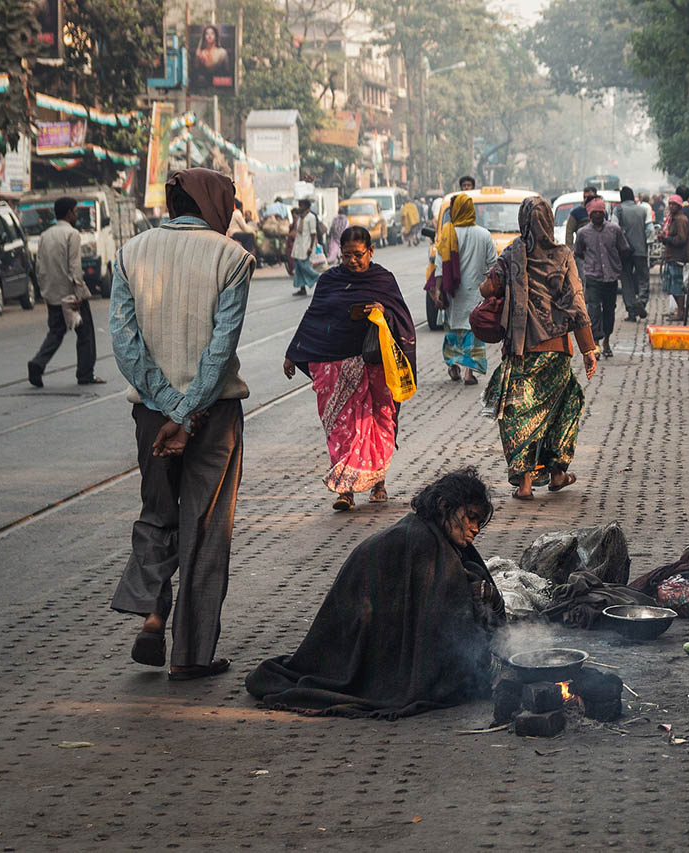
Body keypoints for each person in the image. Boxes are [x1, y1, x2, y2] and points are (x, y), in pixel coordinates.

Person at [108, 168, 255, 681]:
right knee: (207, 528)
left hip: (150, 413)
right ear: (215, 203)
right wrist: (189, 413)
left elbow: (125, 346)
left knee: (157, 511)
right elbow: (221, 347)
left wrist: (168, 407)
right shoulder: (232, 257)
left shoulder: (130, 253)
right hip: (212, 417)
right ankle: (191, 656)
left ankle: (152, 610)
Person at [245, 468, 505, 718]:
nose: (475, 529)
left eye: (479, 522)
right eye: (470, 517)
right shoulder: (421, 542)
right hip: (360, 641)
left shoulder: (433, 533)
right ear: (444, 506)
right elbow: (440, 618)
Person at [283, 226, 416, 512]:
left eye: (358, 255)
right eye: (346, 256)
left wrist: (381, 312)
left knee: (379, 422)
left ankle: (378, 481)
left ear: (371, 252)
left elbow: (402, 319)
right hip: (336, 364)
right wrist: (293, 353)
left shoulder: (383, 280)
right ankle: (346, 490)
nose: (353, 261)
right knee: (341, 428)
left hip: (375, 365)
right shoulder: (330, 280)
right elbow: (314, 317)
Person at [481, 197, 599, 500]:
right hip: (557, 351)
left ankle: (526, 484)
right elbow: (576, 302)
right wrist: (588, 349)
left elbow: (486, 288)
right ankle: (558, 472)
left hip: (521, 351)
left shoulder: (511, 255)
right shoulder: (563, 256)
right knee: (563, 407)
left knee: (518, 415)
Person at [28, 196, 102, 387]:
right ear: (69, 213)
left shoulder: (45, 235)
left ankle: (38, 363)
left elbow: (39, 268)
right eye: (76, 211)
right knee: (86, 335)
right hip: (71, 296)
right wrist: (79, 294)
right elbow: (74, 267)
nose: (76, 215)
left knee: (55, 333)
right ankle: (85, 374)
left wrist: (45, 292)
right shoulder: (72, 234)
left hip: (53, 295)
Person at [426, 193, 497, 385]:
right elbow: (492, 265)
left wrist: (439, 291)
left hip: (453, 293)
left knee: (453, 330)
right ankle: (469, 373)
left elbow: (440, 267)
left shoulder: (448, 233)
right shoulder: (484, 235)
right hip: (477, 293)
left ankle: (453, 367)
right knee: (473, 332)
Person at [574, 196, 631, 359]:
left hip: (611, 277)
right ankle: (596, 343)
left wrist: (616, 263)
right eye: (595, 213)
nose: (598, 215)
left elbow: (624, 248)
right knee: (593, 310)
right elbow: (578, 252)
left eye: (601, 212)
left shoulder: (614, 230)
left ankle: (606, 340)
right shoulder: (583, 233)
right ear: (590, 215)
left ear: (604, 213)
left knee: (609, 311)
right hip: (592, 277)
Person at [614, 186, 650, 321]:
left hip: (624, 251)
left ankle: (631, 311)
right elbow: (650, 230)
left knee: (626, 280)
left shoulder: (618, 210)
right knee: (643, 278)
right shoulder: (643, 210)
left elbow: (614, 228)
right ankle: (641, 301)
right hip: (640, 250)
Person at [659, 194, 689, 321]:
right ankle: (680, 310)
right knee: (672, 287)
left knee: (678, 287)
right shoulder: (672, 219)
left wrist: (667, 239)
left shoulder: (681, 220)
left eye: (674, 205)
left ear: (679, 206)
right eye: (670, 204)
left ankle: (681, 312)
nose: (671, 207)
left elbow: (681, 239)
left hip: (678, 257)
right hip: (671, 256)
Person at [290, 198, 319, 296]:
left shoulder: (311, 217)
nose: (299, 207)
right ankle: (302, 288)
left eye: (301, 205)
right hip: (298, 245)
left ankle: (318, 278)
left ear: (306, 206)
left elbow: (313, 233)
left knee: (305, 266)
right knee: (298, 267)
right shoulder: (299, 217)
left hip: (306, 245)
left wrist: (311, 247)